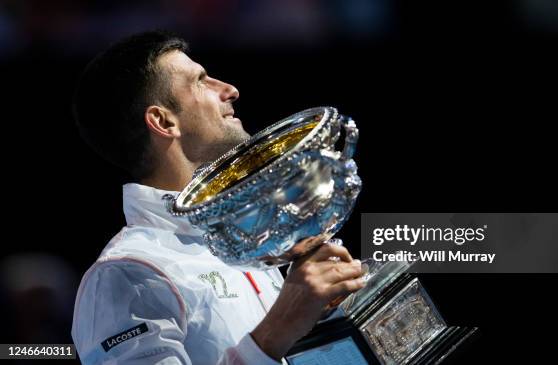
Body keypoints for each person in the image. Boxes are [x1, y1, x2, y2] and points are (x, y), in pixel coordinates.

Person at [71, 30, 365, 365]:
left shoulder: (242, 237)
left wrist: (325, 322)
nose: (229, 90)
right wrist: (278, 329)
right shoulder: (125, 274)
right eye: (201, 81)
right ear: (163, 121)